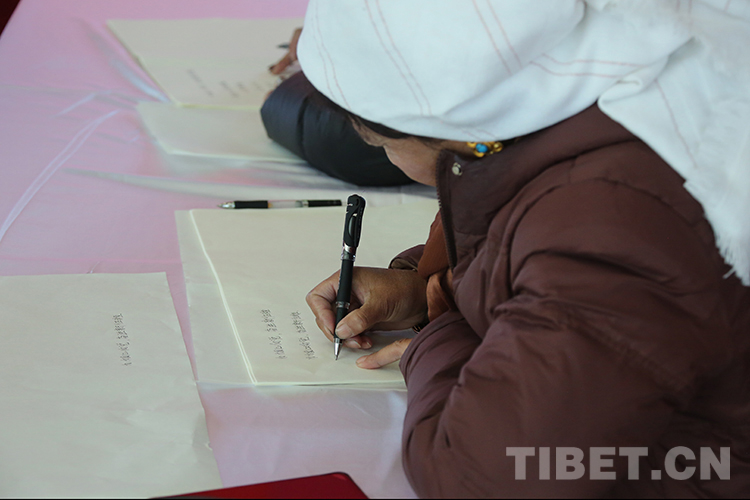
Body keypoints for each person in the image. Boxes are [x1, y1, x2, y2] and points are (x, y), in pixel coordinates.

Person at [298, 1, 750, 497]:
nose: (383, 156)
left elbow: (480, 480)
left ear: (444, 129)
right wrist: (425, 287)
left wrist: (437, 342)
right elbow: (522, 250)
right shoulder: (577, 110)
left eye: (379, 143)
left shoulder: (607, 231)